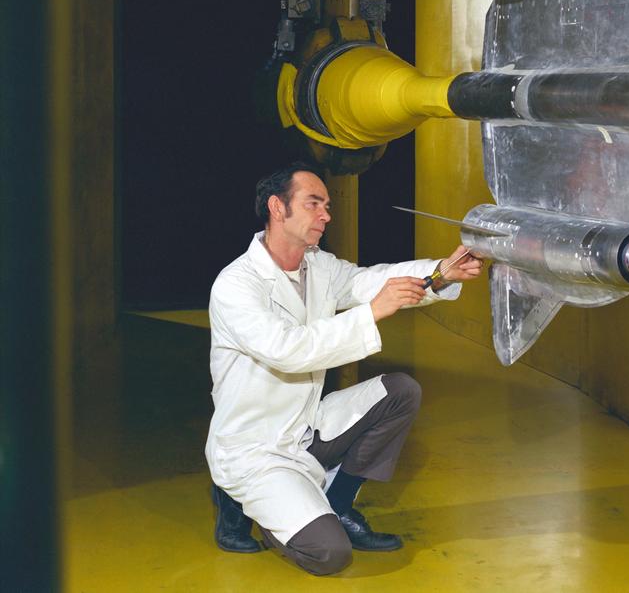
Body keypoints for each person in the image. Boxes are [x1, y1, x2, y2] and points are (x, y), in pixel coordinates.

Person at [204, 162, 482, 575]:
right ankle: (249, 504)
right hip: (255, 448)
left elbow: (368, 280)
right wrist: (372, 313)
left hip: (304, 426)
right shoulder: (236, 285)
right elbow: (288, 350)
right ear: (278, 208)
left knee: (399, 391)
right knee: (330, 554)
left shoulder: (316, 264)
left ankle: (336, 505)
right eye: (314, 203)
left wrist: (440, 273)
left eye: (327, 205)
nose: (326, 215)